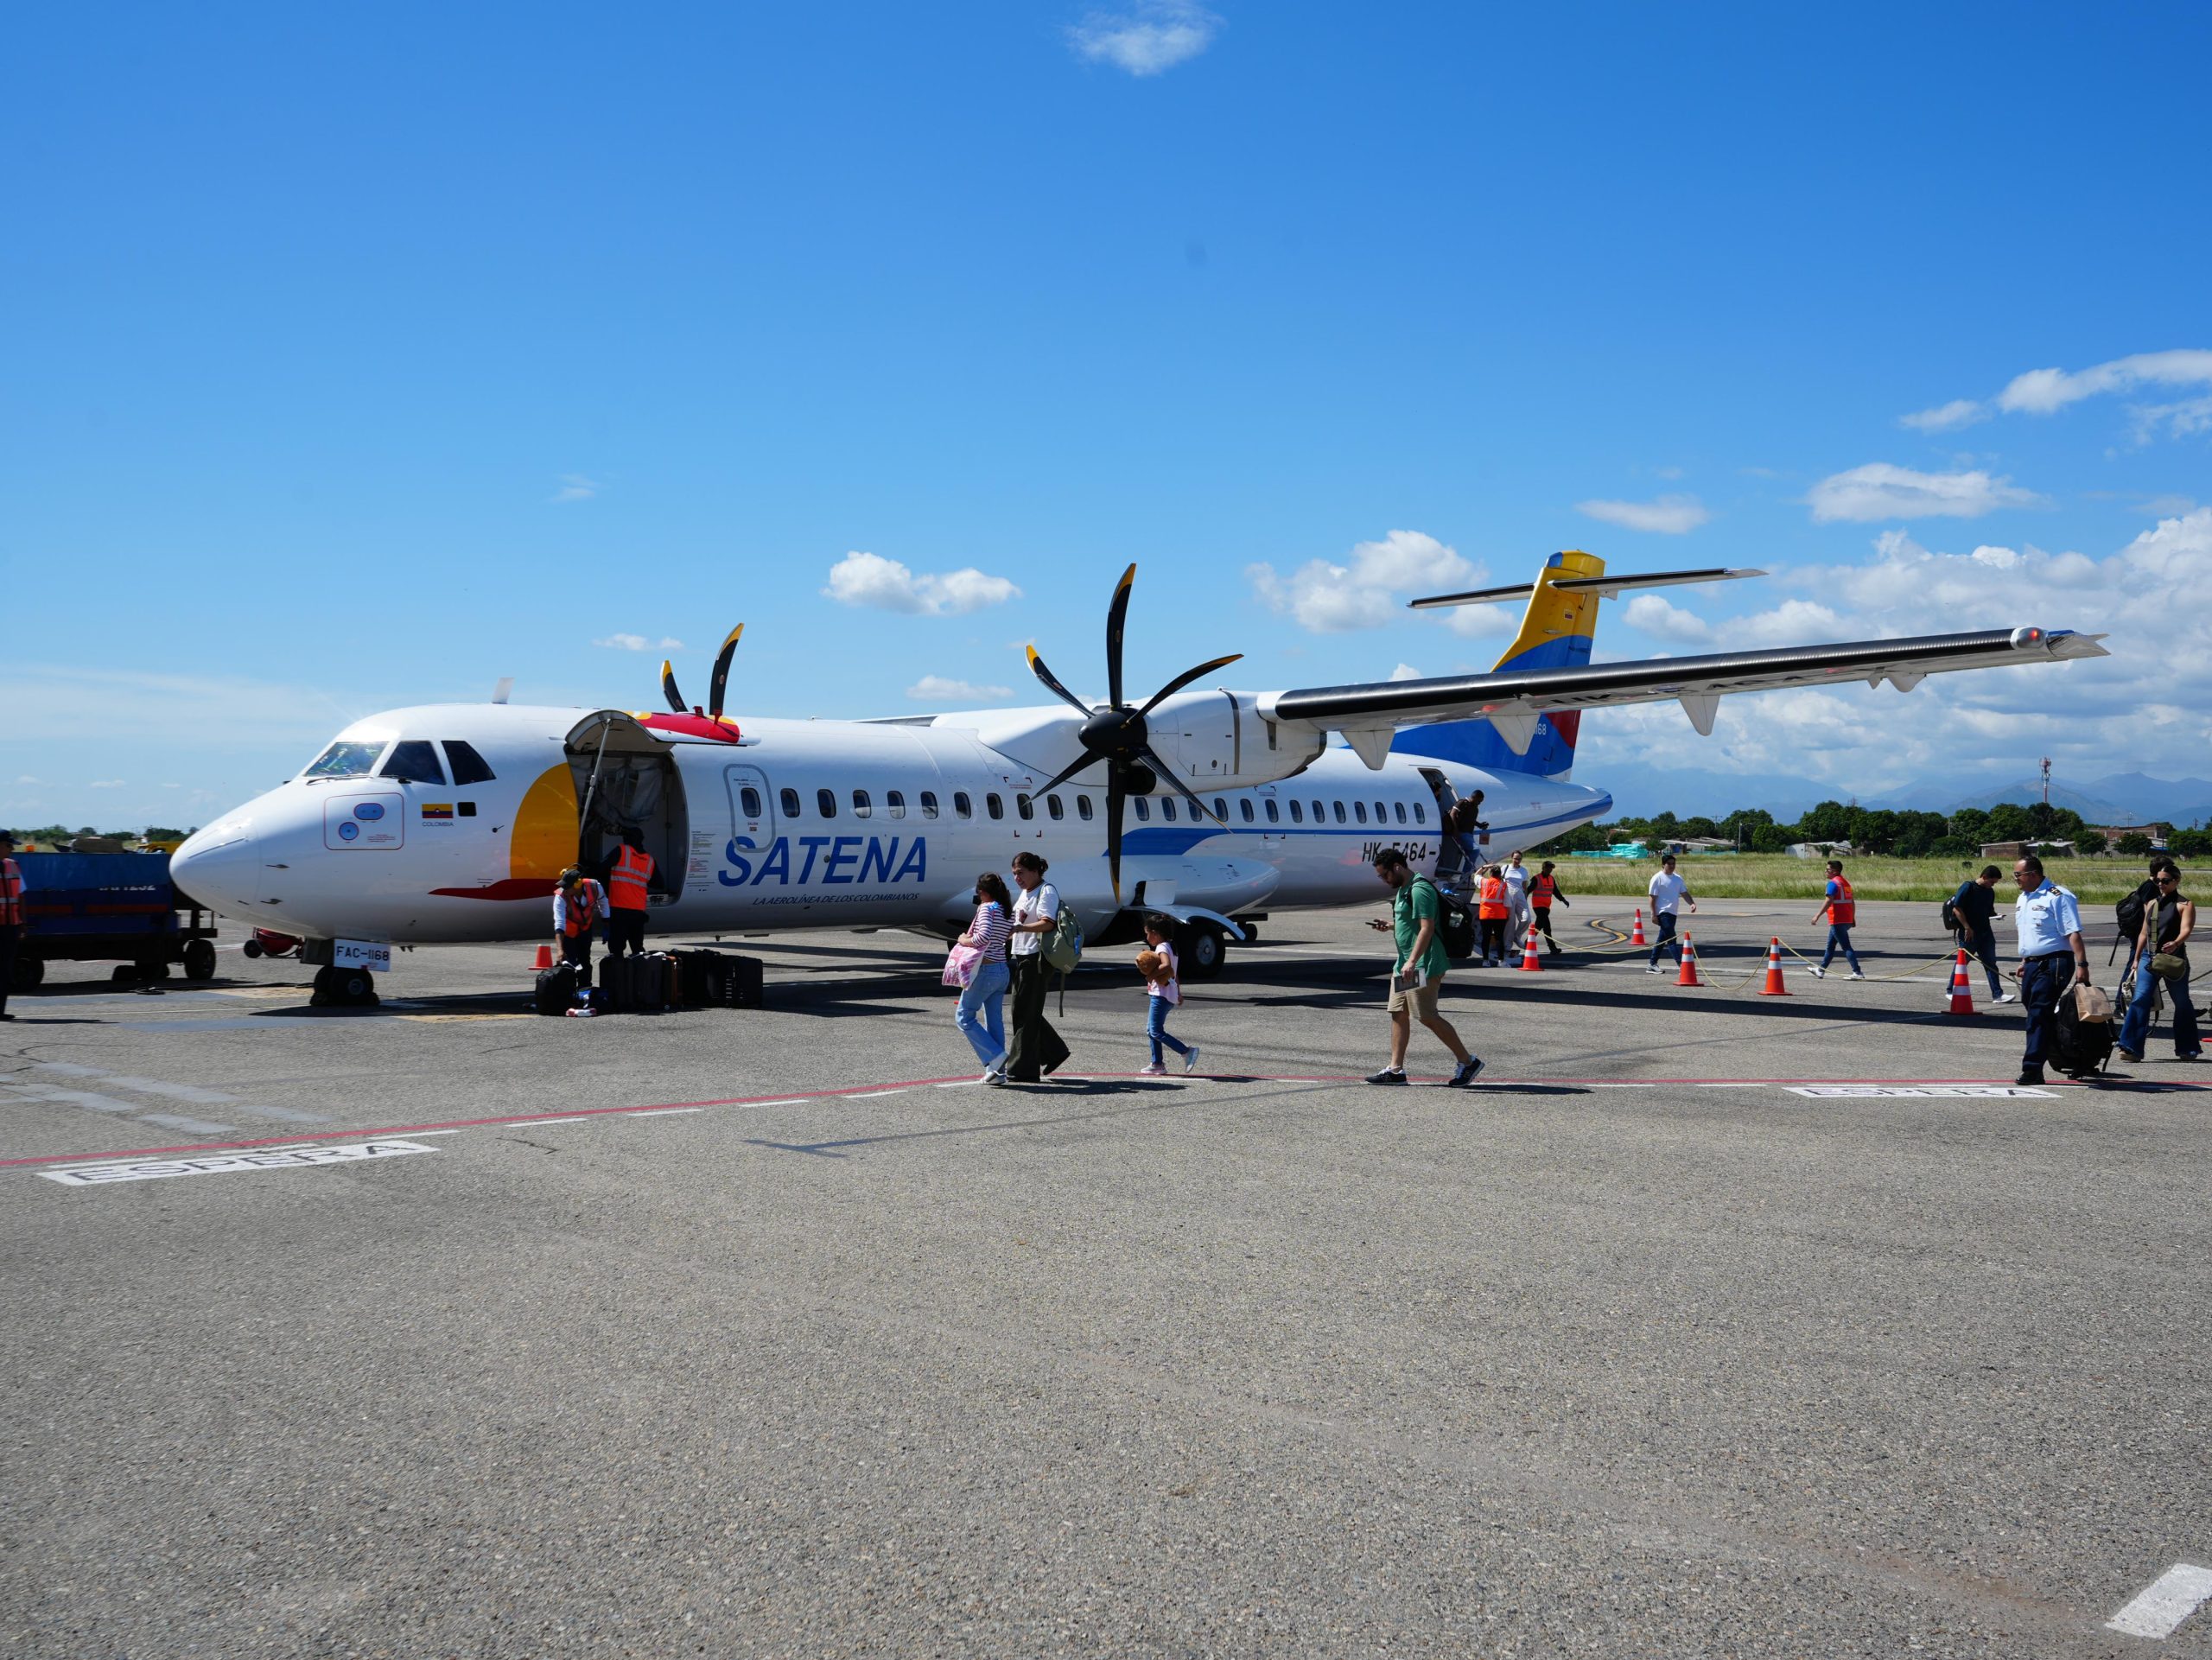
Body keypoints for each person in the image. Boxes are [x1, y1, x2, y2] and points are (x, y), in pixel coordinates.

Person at [1364, 848, 1483, 1087]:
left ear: (1397, 867)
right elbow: (1412, 923)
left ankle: (1468, 1061)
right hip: (1405, 965)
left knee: (1426, 1015)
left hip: (1422, 965)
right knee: (1398, 1013)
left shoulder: (1420, 889)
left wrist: (1411, 962)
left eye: (1384, 875)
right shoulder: (1404, 890)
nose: (1383, 880)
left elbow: (1427, 928)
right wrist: (1390, 926)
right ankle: (1396, 1070)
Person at [2011, 854, 2088, 1086]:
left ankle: (2033, 1069)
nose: (2016, 880)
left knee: (2038, 1014)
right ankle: (2075, 1055)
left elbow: (2072, 932)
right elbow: (2030, 933)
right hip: (2033, 963)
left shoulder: (2058, 896)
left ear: (2033, 874)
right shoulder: (2023, 898)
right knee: (2039, 1015)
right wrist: (2026, 961)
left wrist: (2082, 965)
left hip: (2054, 963)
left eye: (2018, 875)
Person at [2116, 864, 2200, 1065]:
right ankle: (2130, 1047)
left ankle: (2188, 1047)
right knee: (2140, 998)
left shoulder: (2185, 904)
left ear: (2177, 881)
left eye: (2165, 881)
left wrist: (2177, 942)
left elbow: (2187, 929)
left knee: (2182, 1002)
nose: (2161, 884)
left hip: (2174, 960)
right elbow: (2144, 933)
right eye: (2158, 881)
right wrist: (2136, 959)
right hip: (2149, 957)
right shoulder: (2152, 903)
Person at [1004, 851, 1070, 1082]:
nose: (1017, 878)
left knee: (1025, 1012)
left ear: (1035, 871)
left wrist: (1020, 929)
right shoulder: (1025, 893)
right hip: (1023, 954)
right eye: (1014, 874)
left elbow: (1047, 923)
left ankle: (1022, 1069)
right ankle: (1055, 1051)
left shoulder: (1046, 891)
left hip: (1037, 958)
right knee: (1024, 1010)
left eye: (1020, 873)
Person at [953, 871, 1014, 1084]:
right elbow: (1007, 934)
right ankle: (998, 1072)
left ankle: (995, 1056)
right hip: (1002, 970)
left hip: (985, 971)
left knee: (964, 1017)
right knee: (994, 1020)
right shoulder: (1007, 910)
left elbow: (983, 937)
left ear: (983, 892)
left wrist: (964, 939)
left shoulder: (987, 908)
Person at [1135, 912, 1199, 1077]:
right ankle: (1157, 1064)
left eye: (1147, 933)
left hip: (1161, 995)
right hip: (1168, 993)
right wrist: (1178, 991)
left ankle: (1186, 1052)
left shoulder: (1161, 947)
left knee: (1155, 1031)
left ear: (1155, 934)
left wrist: (1150, 975)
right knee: (1152, 1029)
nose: (1147, 937)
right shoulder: (1171, 946)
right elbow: (1174, 972)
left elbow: (1166, 966)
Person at [2114, 855, 2179, 999]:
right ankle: (2121, 1003)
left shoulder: (2152, 886)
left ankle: (2183, 1006)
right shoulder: (2150, 887)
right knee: (2133, 966)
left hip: (2145, 936)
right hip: (2141, 936)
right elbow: (2149, 916)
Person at [1947, 865, 2012, 1003]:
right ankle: (1951, 990)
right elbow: (1957, 908)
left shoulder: (1990, 892)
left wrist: (1997, 915)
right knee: (1962, 963)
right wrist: (1967, 927)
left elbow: (1989, 911)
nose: (1992, 885)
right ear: (1984, 877)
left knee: (1991, 963)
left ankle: (1998, 995)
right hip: (1968, 934)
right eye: (1992, 882)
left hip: (1985, 933)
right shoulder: (1968, 887)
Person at [551, 866, 608, 989]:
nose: (563, 889)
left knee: (585, 961)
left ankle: (585, 990)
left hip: (585, 929)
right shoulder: (560, 896)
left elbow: (603, 902)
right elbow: (559, 924)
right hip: (568, 933)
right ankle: (569, 993)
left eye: (567, 886)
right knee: (569, 963)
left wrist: (607, 924)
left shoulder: (594, 886)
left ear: (577, 885)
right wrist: (560, 950)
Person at [604, 830, 655, 960]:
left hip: (619, 908)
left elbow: (602, 868)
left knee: (616, 950)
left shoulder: (622, 851)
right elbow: (659, 882)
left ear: (626, 839)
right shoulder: (649, 860)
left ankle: (618, 978)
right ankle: (639, 978)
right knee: (637, 949)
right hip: (638, 911)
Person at [1644, 853, 1696, 973]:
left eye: (1673, 864)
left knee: (1661, 940)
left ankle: (1652, 964)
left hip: (1673, 913)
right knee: (1672, 940)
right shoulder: (1657, 878)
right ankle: (1682, 965)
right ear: (1663, 864)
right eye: (1669, 864)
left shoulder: (1678, 878)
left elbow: (1684, 893)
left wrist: (1691, 903)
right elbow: (1652, 897)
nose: (1672, 866)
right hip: (1663, 913)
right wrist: (1653, 914)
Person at [0, 830, 23, 1021]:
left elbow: (21, 896)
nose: (12, 849)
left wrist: (22, 923)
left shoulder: (13, 866)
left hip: (9, 927)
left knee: (4, 970)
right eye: (9, 845)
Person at [1529, 860, 1567, 956]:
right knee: (1547, 927)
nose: (1550, 870)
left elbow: (1555, 891)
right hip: (1538, 906)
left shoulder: (1551, 879)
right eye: (1548, 868)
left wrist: (1563, 900)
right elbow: (1528, 890)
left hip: (1546, 907)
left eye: (1551, 868)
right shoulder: (1536, 878)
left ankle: (1528, 943)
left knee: (1539, 926)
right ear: (1543, 868)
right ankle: (1552, 948)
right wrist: (1523, 902)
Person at [1475, 864, 1510, 966]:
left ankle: (1485, 961)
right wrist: (1508, 914)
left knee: (1486, 938)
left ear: (1490, 873)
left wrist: (1484, 866)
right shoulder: (1503, 885)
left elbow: (1476, 875)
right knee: (1499, 938)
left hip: (1485, 915)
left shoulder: (1484, 882)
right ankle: (1501, 961)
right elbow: (1507, 902)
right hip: (1500, 915)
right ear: (1500, 874)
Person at [1501, 850, 1532, 944]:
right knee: (1510, 922)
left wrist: (1525, 899)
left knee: (1527, 919)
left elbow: (1524, 886)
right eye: (1515, 859)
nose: (1517, 861)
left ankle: (1517, 936)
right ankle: (1507, 944)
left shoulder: (1523, 870)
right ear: (1512, 858)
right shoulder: (1505, 868)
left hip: (1520, 894)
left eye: (1519, 859)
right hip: (1508, 894)